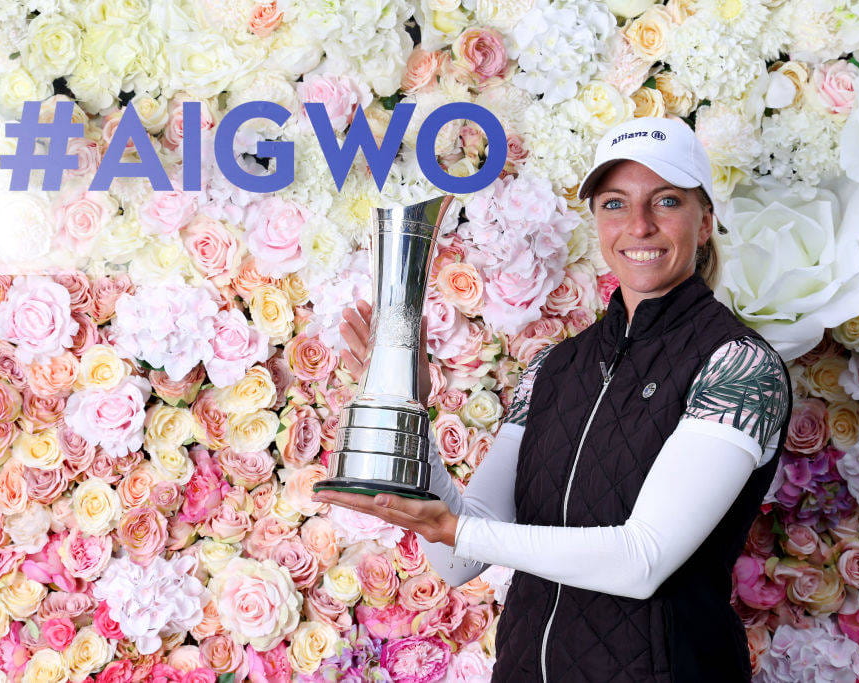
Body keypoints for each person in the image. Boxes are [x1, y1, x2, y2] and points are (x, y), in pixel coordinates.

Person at [311, 116, 793, 682]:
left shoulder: (739, 365)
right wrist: (410, 408)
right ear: (596, 220)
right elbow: (459, 560)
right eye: (615, 203)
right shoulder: (554, 368)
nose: (638, 225)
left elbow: (642, 561)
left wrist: (457, 530)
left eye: (665, 201)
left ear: (705, 220)